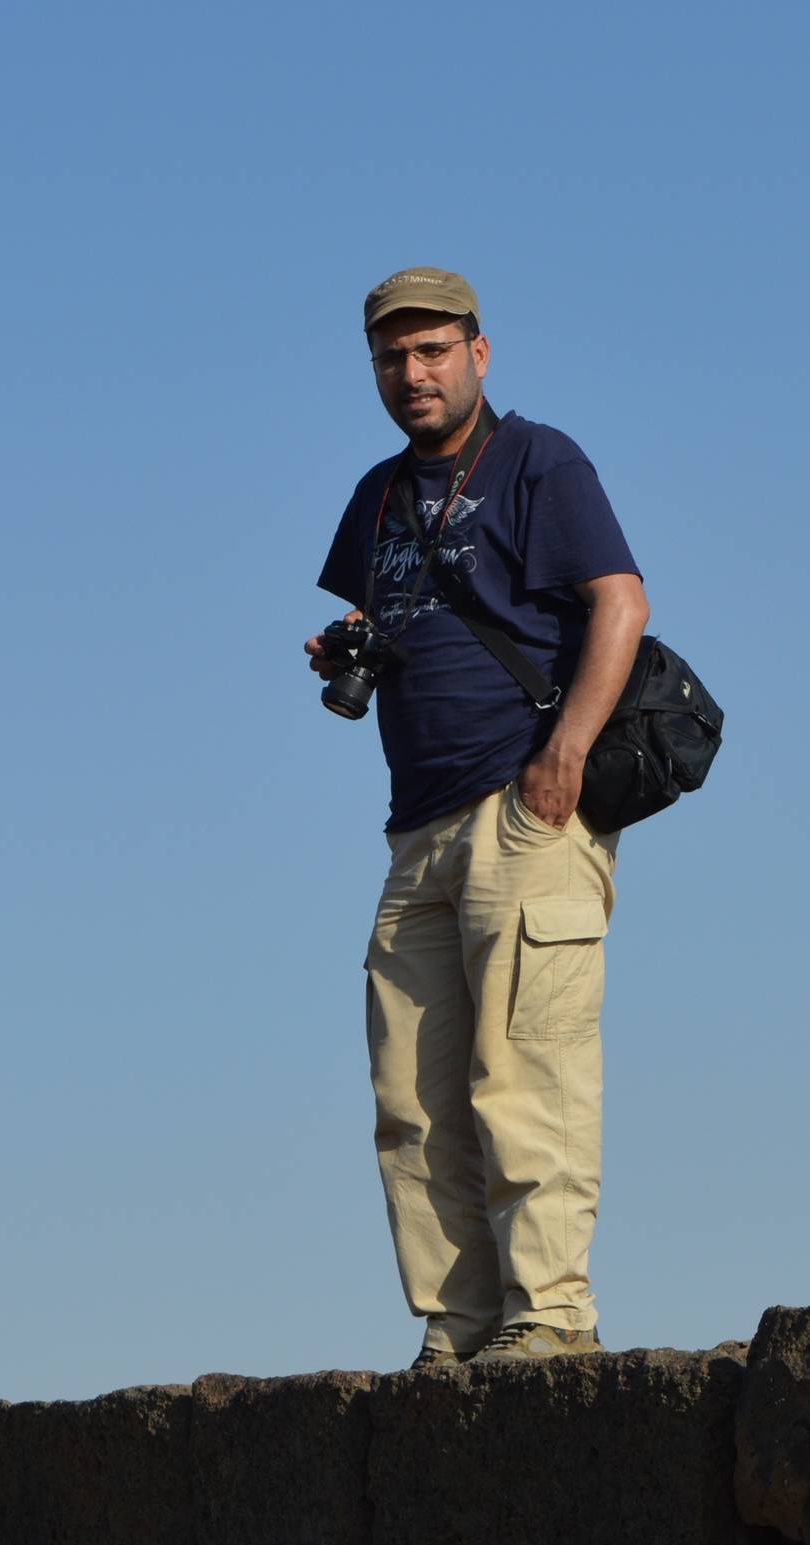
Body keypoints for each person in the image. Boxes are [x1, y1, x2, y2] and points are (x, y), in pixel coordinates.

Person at [307, 266, 648, 1367]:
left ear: (479, 353)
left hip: (520, 807)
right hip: (416, 826)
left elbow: (620, 600)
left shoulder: (537, 460)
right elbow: (392, 612)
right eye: (392, 358)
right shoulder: (378, 496)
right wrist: (348, 647)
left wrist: (564, 755)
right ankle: (455, 1328)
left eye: (432, 351)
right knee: (411, 1097)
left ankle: (546, 1315)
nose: (412, 374)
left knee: (525, 1071)